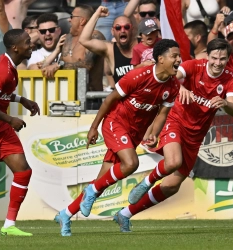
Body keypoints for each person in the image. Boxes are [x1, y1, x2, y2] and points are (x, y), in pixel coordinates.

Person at [54, 37, 181, 236]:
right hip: (116, 122)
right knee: (131, 163)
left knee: (101, 182)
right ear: (160, 59)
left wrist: (154, 134)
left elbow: (162, 114)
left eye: (179, 56)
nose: (179, 60)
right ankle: (92, 192)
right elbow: (108, 101)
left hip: (134, 133)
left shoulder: (173, 87)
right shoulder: (138, 76)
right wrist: (93, 127)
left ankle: (65, 214)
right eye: (174, 56)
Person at [113, 38, 233, 232]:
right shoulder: (193, 66)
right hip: (176, 120)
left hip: (196, 135)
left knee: (172, 185)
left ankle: (125, 214)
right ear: (207, 56)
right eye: (214, 57)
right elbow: (171, 74)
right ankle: (147, 182)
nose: (218, 62)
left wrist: (225, 104)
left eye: (222, 59)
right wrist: (179, 87)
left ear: (228, 58)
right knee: (173, 162)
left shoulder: (231, 78)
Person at [0, 29, 40, 236]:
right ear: (15, 47)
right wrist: (11, 119)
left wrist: (22, 100)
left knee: (23, 171)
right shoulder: (2, 69)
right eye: (27, 42)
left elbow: (0, 94)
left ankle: (9, 225)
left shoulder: (10, 67)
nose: (31, 45)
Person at [39, 5, 106, 108]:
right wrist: (56, 58)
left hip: (89, 99)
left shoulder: (95, 37)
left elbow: (85, 66)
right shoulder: (66, 39)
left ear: (82, 20)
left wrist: (59, 66)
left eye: (72, 16)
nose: (69, 20)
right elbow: (46, 67)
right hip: (66, 98)